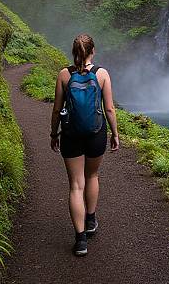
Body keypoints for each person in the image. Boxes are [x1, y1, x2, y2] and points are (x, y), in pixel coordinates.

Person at [50, 34, 119, 256]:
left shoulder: (63, 75)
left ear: (73, 52)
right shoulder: (102, 74)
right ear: (93, 51)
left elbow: (56, 109)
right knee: (92, 176)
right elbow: (109, 109)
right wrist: (115, 134)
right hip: (96, 133)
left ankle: (81, 241)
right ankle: (91, 220)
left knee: (75, 186)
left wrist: (54, 133)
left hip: (71, 134)